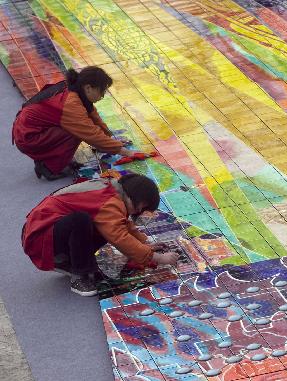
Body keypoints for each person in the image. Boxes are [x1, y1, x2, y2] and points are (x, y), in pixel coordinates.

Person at [21, 174, 179, 296]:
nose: (137, 213)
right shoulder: (109, 201)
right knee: (82, 221)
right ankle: (79, 276)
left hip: (49, 232)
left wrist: (144, 244)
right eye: (142, 209)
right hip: (40, 237)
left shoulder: (114, 192)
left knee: (103, 226)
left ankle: (66, 261)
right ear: (139, 201)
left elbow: (122, 224)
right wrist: (158, 258)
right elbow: (120, 237)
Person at [12, 66, 144, 180]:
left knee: (79, 127)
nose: (103, 96)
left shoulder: (75, 90)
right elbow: (90, 133)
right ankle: (48, 167)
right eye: (102, 91)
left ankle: (48, 159)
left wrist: (111, 140)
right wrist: (125, 152)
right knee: (76, 131)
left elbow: (93, 116)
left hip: (31, 130)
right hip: (28, 137)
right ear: (88, 88)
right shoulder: (71, 104)